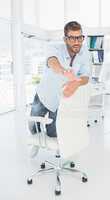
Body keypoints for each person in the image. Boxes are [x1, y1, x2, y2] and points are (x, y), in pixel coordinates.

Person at [29, 21, 91, 157]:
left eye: (80, 37)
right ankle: (36, 142)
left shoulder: (85, 52)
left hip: (61, 99)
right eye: (72, 38)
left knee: (52, 132)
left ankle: (49, 141)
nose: (77, 42)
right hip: (45, 94)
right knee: (34, 125)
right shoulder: (54, 47)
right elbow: (52, 61)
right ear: (65, 39)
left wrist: (76, 83)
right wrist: (64, 72)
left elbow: (86, 76)